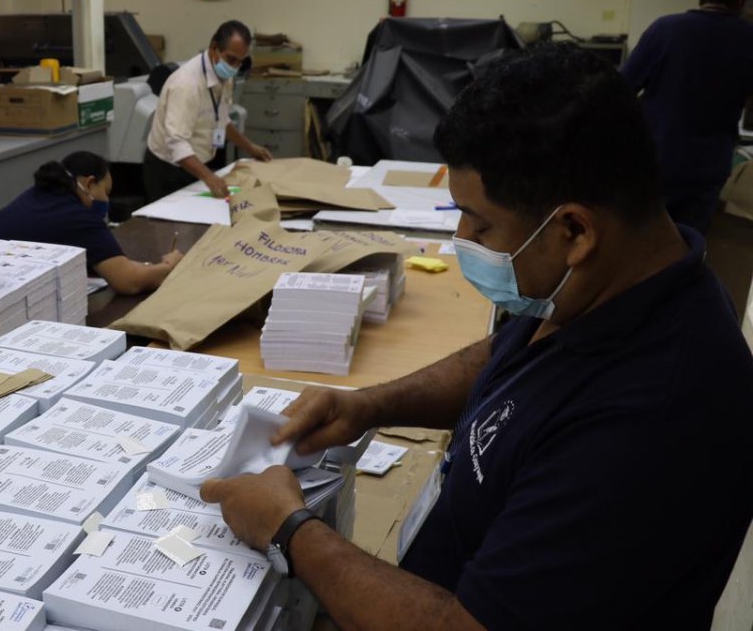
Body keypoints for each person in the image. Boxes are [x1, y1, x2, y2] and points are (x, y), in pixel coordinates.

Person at [200, 43, 753, 629]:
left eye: (481, 223)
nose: (463, 237)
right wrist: (370, 404)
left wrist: (288, 530)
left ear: (573, 229)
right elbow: (512, 359)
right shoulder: (613, 280)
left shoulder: (655, 420)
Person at [621, 0, 753, 233]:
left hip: (658, 157)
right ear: (740, 0)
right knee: (690, 239)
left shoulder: (666, 29)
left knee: (642, 237)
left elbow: (622, 87)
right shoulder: (748, 37)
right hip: (710, 163)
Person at [0, 151, 182, 295]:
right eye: (106, 192)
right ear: (89, 183)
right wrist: (169, 266)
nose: (107, 201)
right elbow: (128, 281)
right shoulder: (80, 218)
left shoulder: (42, 194)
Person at [144, 20, 273, 202]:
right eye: (231, 59)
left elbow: (220, 118)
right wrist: (209, 177)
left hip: (194, 166)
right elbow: (176, 142)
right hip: (168, 171)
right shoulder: (187, 85)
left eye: (240, 62)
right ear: (214, 48)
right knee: (173, 228)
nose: (234, 67)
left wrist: (249, 147)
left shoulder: (223, 75)